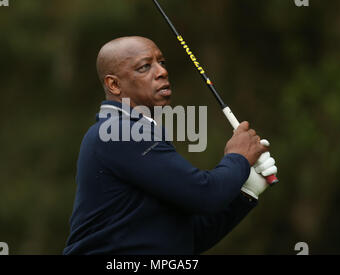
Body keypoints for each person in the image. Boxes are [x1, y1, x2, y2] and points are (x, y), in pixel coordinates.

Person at [63, 36, 277, 255]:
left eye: (162, 63)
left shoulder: (137, 133)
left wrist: (246, 192)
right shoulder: (116, 131)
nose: (161, 72)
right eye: (145, 67)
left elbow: (186, 239)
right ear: (114, 85)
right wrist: (238, 157)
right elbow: (205, 195)